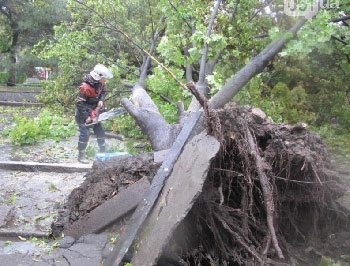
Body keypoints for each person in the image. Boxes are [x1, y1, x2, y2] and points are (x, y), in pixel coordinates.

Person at [75, 64, 113, 163]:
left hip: (94, 110)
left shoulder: (100, 83)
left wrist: (101, 100)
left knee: (100, 131)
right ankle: (81, 155)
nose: (105, 80)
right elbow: (79, 103)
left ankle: (103, 152)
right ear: (98, 77)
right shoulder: (85, 87)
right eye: (103, 78)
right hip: (83, 112)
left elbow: (103, 92)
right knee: (85, 134)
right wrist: (86, 116)